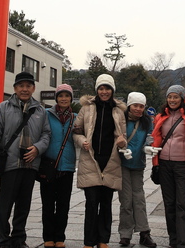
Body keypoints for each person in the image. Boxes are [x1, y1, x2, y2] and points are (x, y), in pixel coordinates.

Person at [0, 71, 51, 248]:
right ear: (15, 88)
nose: (24, 89)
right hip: (10, 164)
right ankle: (3, 239)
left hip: (30, 164)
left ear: (33, 88)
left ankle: (19, 239)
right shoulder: (3, 108)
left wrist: (37, 149)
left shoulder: (40, 111)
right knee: (5, 205)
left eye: (28, 86)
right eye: (21, 86)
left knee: (23, 206)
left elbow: (46, 135)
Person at [73, 74, 128, 248]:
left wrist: (122, 142)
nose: (104, 92)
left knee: (106, 204)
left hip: (110, 161)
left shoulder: (119, 110)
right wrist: (82, 141)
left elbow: (123, 136)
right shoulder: (86, 108)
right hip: (90, 159)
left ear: (112, 90)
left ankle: (103, 240)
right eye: (101, 88)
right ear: (97, 90)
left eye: (107, 88)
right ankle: (89, 241)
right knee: (91, 203)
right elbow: (76, 131)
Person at [150, 85, 185, 248]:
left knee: (182, 203)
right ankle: (174, 239)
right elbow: (156, 136)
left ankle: (184, 242)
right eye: (169, 97)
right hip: (164, 163)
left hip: (183, 164)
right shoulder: (160, 116)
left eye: (175, 97)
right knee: (169, 203)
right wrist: (150, 144)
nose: (172, 100)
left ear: (181, 98)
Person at [40, 84, 77, 248]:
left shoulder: (76, 118)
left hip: (67, 167)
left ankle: (60, 237)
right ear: (56, 98)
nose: (63, 99)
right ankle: (48, 236)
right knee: (48, 204)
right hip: (49, 165)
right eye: (60, 96)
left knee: (63, 205)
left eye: (67, 96)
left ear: (71, 98)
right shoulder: (46, 114)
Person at [118, 92, 156, 248]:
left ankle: (144, 232)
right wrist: (121, 147)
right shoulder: (121, 120)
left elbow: (149, 138)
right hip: (122, 164)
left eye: (141, 106)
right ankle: (125, 234)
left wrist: (148, 147)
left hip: (138, 164)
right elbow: (116, 137)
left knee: (139, 199)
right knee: (126, 200)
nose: (138, 109)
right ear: (129, 106)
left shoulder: (147, 122)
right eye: (135, 106)